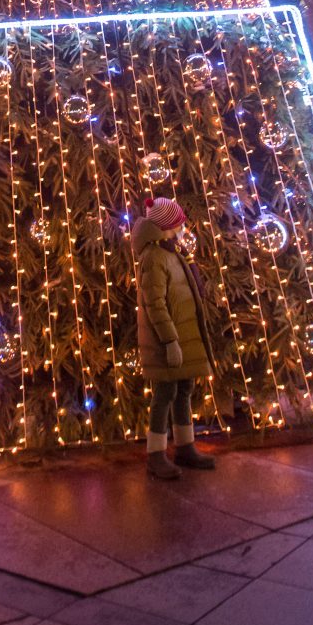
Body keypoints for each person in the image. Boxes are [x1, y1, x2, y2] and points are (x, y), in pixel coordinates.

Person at [131, 196, 216, 480]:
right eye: (179, 223)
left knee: (184, 391)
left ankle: (185, 446)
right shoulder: (154, 258)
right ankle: (155, 454)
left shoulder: (173, 252)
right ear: (168, 227)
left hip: (185, 336)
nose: (183, 228)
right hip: (167, 343)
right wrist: (169, 341)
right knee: (164, 395)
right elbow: (155, 304)